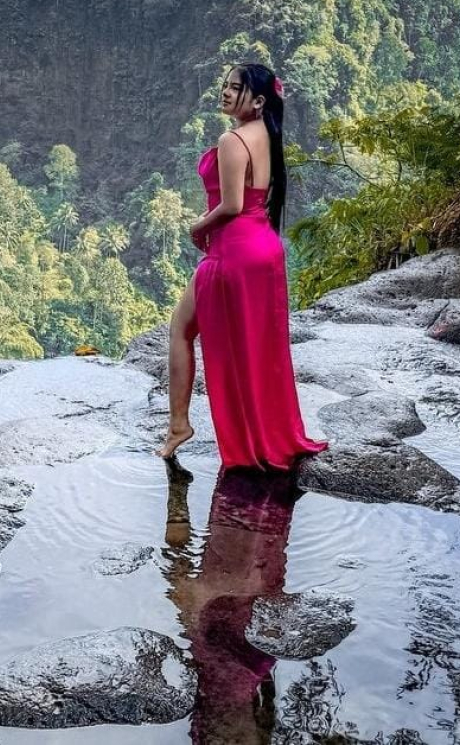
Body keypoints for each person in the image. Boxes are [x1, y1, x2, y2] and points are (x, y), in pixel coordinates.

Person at [156, 63, 327, 470]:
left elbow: (231, 205)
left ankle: (179, 425)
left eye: (236, 88)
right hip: (264, 247)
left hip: (234, 251)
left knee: (181, 330)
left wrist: (197, 226)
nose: (226, 92)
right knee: (260, 347)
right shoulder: (266, 133)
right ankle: (268, 430)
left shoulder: (232, 140)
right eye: (226, 85)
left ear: (259, 100)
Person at [162, 457, 298, 743]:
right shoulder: (259, 666)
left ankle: (177, 496)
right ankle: (181, 496)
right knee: (249, 552)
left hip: (220, 645)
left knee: (188, 576)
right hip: (238, 646)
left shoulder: (211, 713)